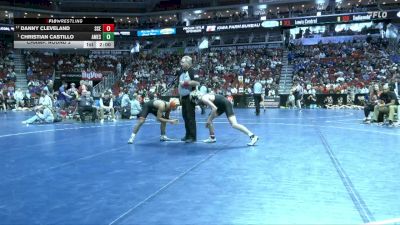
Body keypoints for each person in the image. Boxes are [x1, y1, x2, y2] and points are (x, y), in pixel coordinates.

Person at [190, 91, 259, 146]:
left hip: (225, 104)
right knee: (209, 118)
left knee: (234, 124)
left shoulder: (204, 99)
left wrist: (209, 120)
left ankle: (253, 136)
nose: (195, 103)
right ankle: (212, 137)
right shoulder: (203, 97)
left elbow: (214, 108)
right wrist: (209, 119)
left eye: (193, 100)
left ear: (195, 98)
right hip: (220, 105)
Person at [178, 55, 199, 143]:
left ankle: (192, 137)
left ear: (188, 63)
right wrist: (180, 96)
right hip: (183, 97)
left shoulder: (192, 71)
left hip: (190, 97)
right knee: (185, 117)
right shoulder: (181, 72)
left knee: (190, 117)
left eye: (182, 62)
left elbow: (197, 82)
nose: (181, 63)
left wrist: (185, 83)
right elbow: (179, 85)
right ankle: (187, 135)